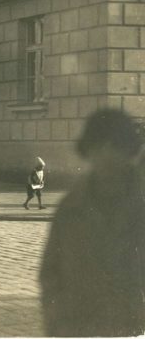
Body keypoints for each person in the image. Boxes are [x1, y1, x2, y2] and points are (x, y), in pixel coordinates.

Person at [39, 109, 145, 337]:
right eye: (99, 147)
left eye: (115, 147)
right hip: (81, 328)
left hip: (133, 328)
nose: (107, 156)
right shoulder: (71, 208)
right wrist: (58, 323)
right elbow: (51, 272)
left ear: (128, 151)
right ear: (89, 151)